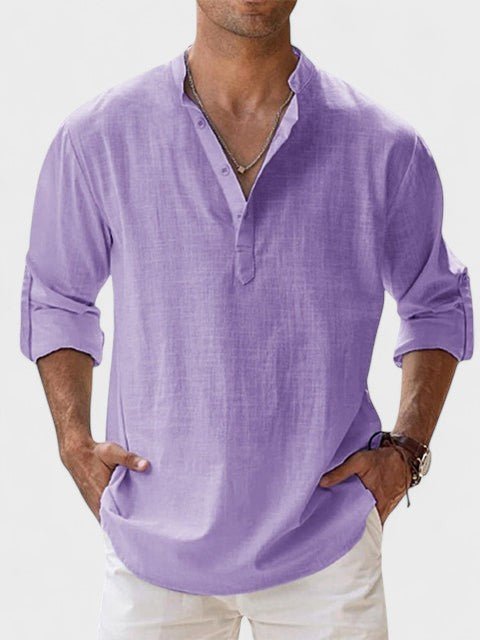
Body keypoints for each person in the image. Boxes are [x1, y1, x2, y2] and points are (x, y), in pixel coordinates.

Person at [20, 1, 474, 638]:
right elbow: (57, 295)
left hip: (326, 548)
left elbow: (436, 303)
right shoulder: (98, 137)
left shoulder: (384, 147)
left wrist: (407, 451)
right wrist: (74, 442)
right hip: (153, 548)